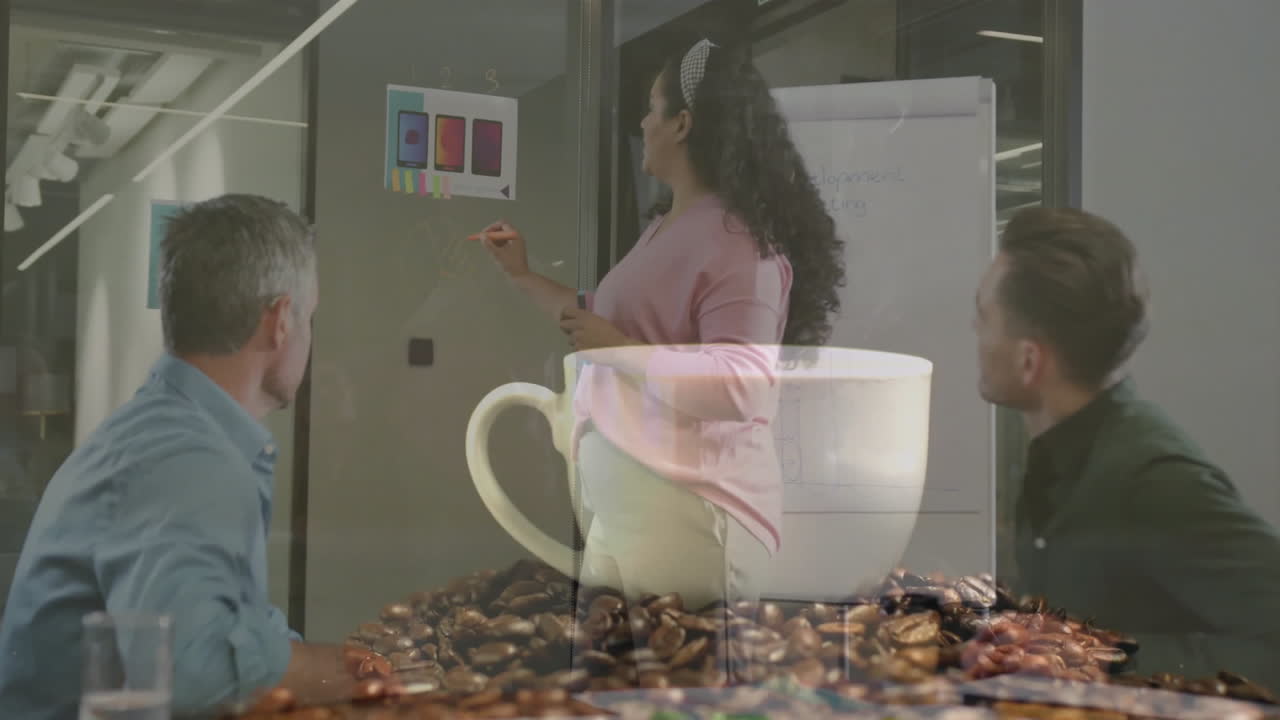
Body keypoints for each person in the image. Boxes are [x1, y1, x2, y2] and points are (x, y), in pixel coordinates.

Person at [471, 37, 844, 611]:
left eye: (652, 107)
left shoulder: (740, 243)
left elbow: (742, 383)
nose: (642, 122)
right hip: (635, 505)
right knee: (618, 687)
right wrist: (523, 276)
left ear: (682, 124)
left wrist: (620, 348)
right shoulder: (667, 229)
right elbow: (596, 322)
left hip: (693, 507)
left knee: (676, 694)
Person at [0, 195, 383, 719]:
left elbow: (231, 628)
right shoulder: (186, 459)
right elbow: (197, 677)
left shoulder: (171, 434)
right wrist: (367, 674)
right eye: (310, 316)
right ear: (281, 321)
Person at [974, 206, 1280, 690]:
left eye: (983, 317)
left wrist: (1097, 659)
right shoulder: (1060, 457)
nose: (976, 334)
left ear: (1029, 359)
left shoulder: (1153, 480)